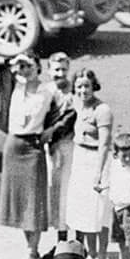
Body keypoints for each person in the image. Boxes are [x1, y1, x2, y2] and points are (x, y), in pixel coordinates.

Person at [0, 51, 60, 259]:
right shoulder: (14, 84)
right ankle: (30, 250)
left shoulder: (48, 89)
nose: (25, 70)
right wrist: (14, 61)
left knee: (34, 201)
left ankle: (33, 252)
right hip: (13, 146)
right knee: (20, 201)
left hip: (33, 147)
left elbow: (66, 110)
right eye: (21, 67)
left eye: (29, 65)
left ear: (38, 67)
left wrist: (53, 129)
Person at [63, 69, 114, 259]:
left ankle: (102, 256)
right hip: (80, 158)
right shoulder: (77, 103)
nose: (83, 90)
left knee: (99, 212)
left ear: (94, 86)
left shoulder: (102, 110)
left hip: (96, 160)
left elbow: (104, 144)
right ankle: (91, 255)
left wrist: (99, 172)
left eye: (87, 86)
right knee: (83, 211)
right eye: (79, 86)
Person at [44, 51, 75, 238]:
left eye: (64, 69)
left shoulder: (73, 91)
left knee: (66, 191)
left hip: (68, 145)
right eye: (56, 69)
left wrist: (53, 130)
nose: (60, 74)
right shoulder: (45, 90)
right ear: (49, 70)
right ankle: (59, 239)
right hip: (50, 147)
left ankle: (69, 239)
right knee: (53, 191)